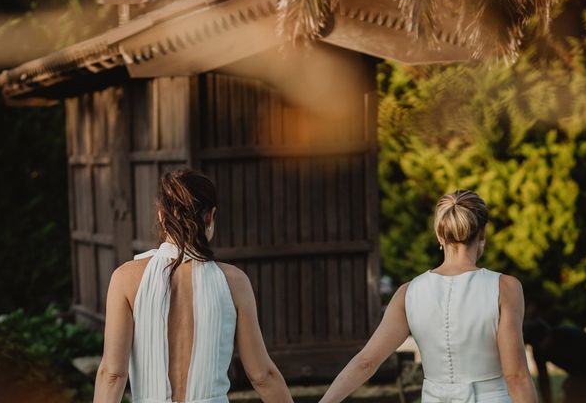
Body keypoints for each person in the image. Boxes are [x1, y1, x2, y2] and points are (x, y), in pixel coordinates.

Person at [319, 189, 538, 403]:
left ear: (439, 234)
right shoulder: (505, 287)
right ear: (482, 233)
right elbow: (516, 376)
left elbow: (366, 362)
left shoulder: (408, 293)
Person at [93, 169, 292, 403]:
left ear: (160, 216)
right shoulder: (235, 282)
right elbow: (262, 376)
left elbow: (113, 374)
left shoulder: (125, 279)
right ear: (210, 217)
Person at [523, 318, 586, 403]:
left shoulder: (569, 335)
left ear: (547, 334)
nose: (539, 348)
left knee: (572, 389)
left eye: (539, 343)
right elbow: (543, 378)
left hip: (584, 367)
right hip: (577, 372)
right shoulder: (538, 351)